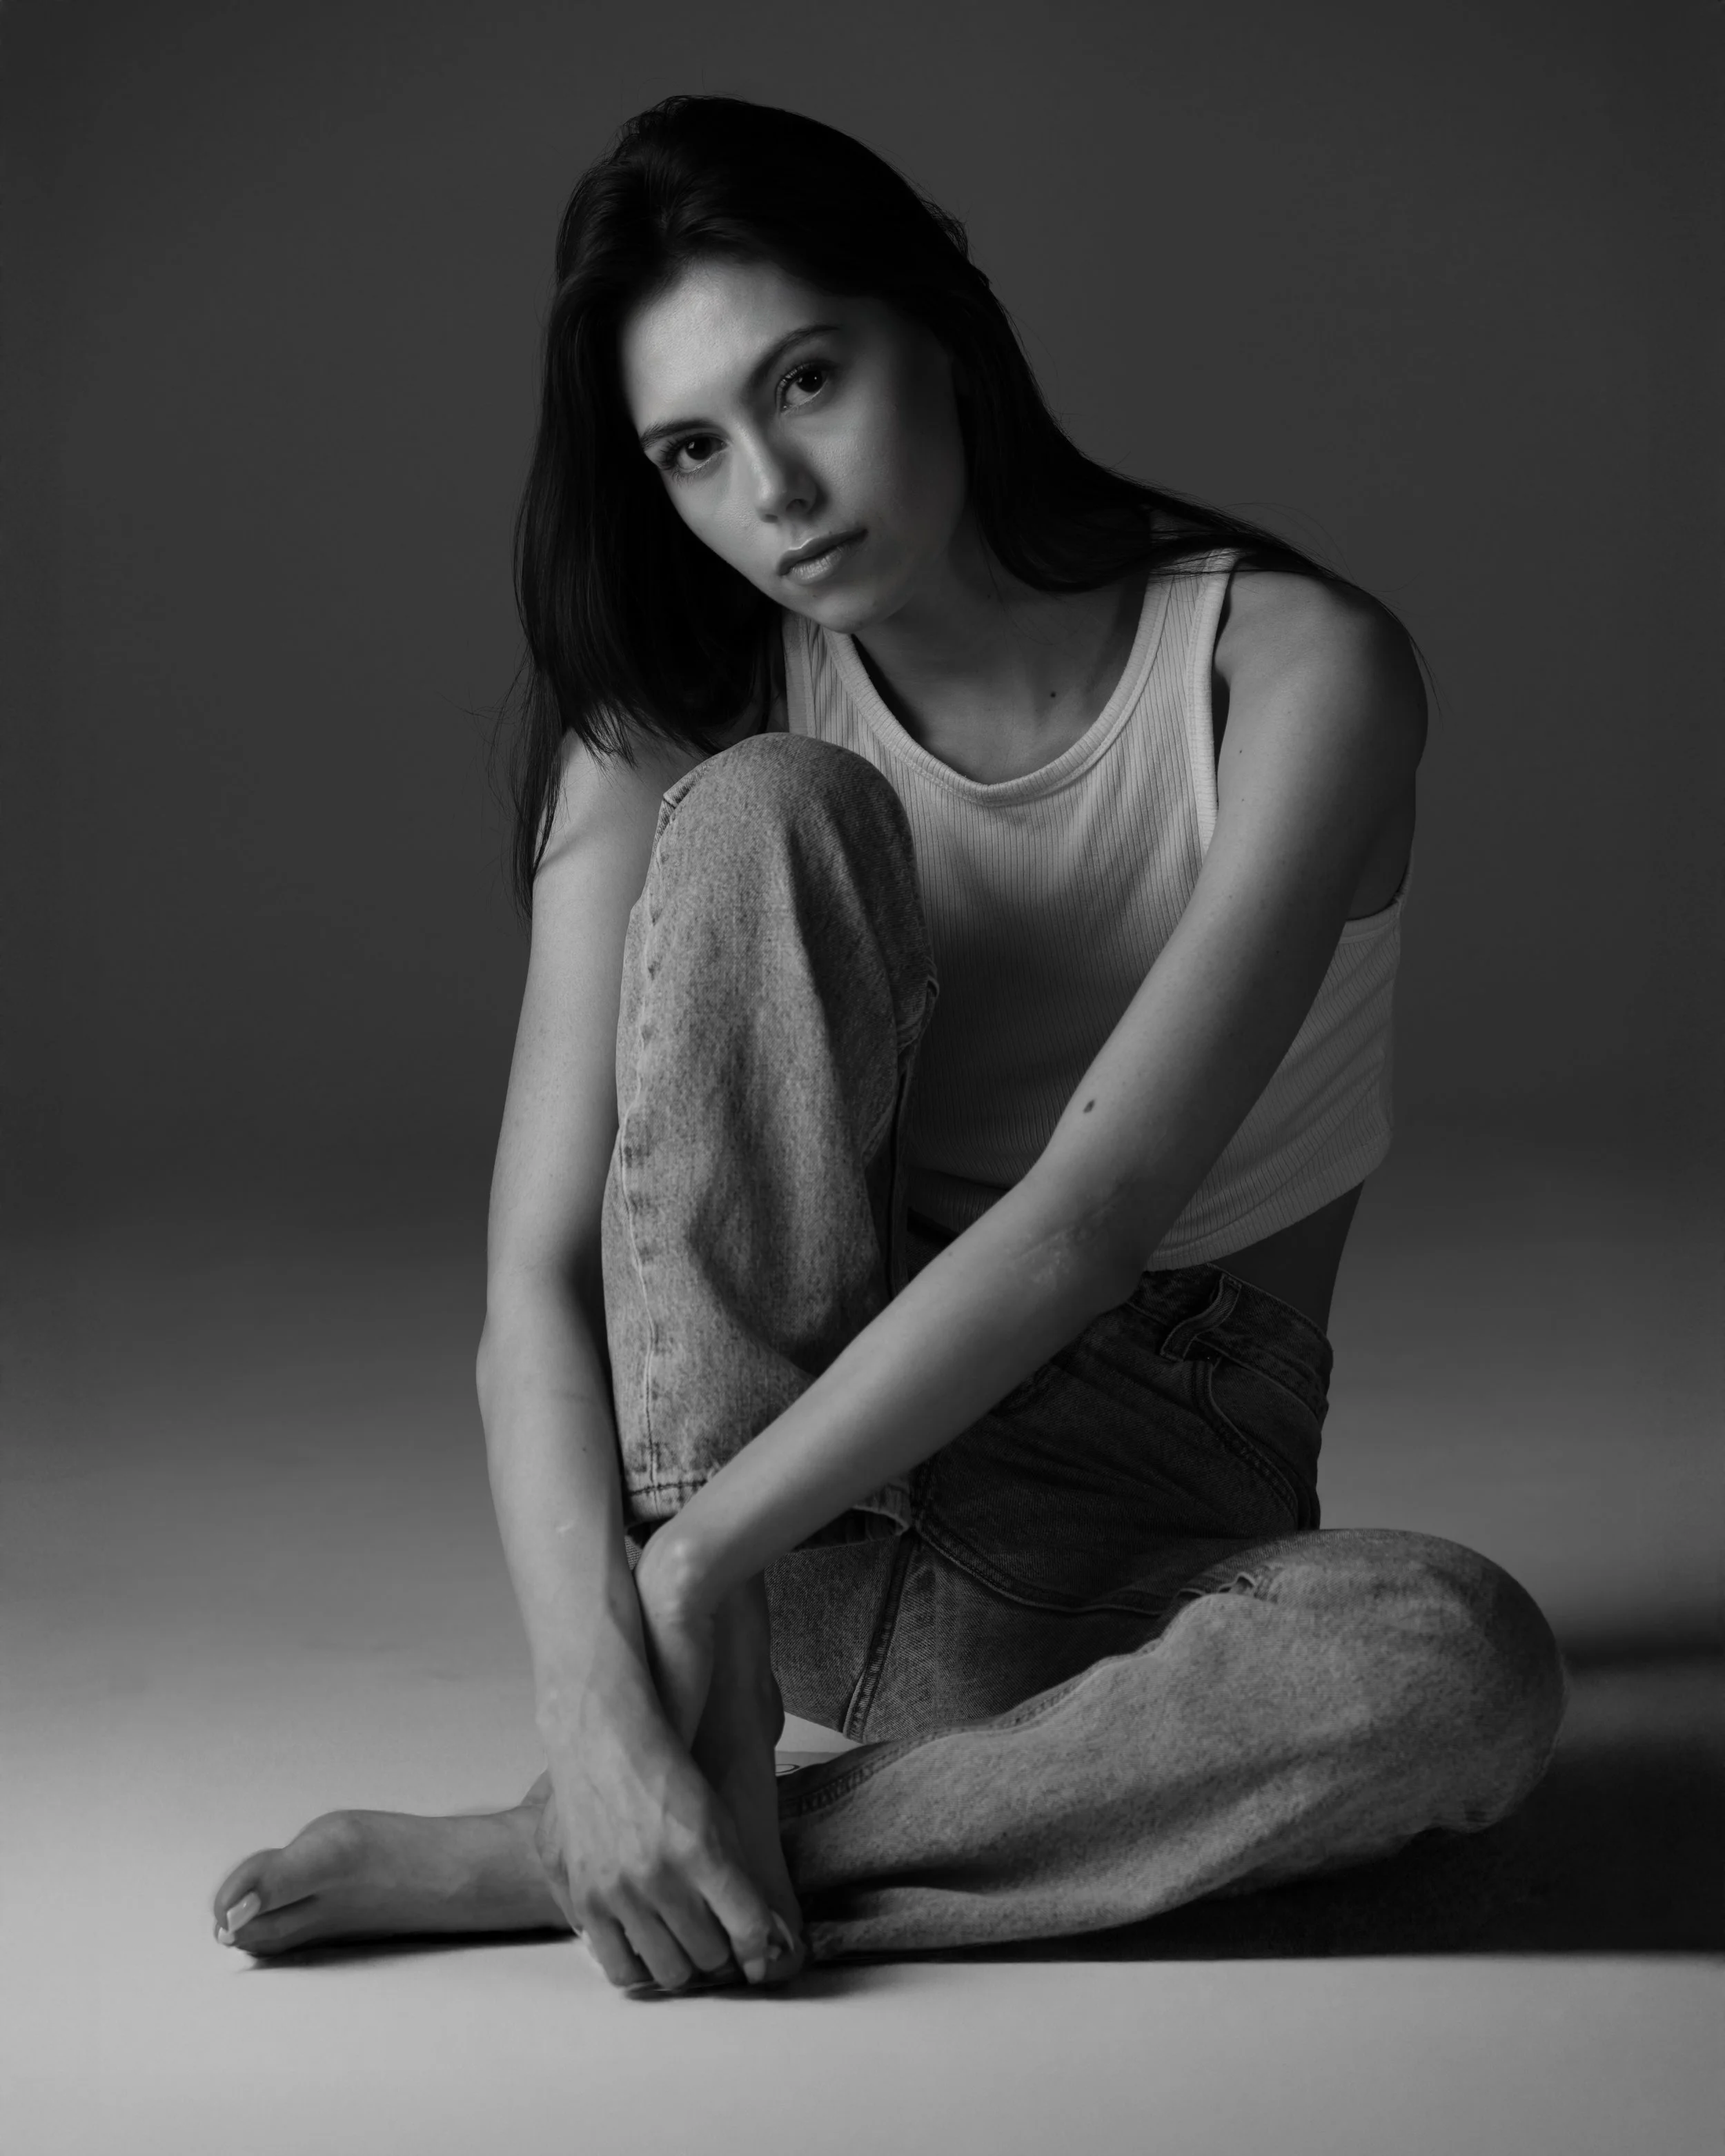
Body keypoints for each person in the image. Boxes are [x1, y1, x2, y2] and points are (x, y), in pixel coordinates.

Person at [210, 95, 1566, 1991]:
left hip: (1109, 1547)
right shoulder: (674, 718)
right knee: (774, 807)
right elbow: (530, 1281)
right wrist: (619, 1673)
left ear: (944, 318)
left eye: (808, 380)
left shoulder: (1290, 668)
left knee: (1454, 1667)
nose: (768, 487)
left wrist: (682, 1593)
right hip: (785, 1540)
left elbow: (1094, 1211)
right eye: (691, 447)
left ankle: (575, 1857)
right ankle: (667, 1784)